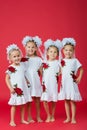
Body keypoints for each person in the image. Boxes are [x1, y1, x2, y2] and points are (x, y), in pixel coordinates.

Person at [5, 44, 32, 126]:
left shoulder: (22, 66)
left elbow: (24, 75)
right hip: (15, 89)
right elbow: (6, 79)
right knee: (14, 105)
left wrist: (27, 81)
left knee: (23, 104)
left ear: (20, 55)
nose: (17, 58)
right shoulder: (10, 68)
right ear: (10, 58)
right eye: (14, 56)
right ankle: (12, 121)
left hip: (23, 88)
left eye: (18, 56)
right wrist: (10, 88)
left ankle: (22, 119)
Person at [58, 38, 84, 124]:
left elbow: (81, 69)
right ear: (63, 51)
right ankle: (68, 117)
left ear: (73, 51)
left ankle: (73, 118)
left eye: (70, 50)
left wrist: (79, 77)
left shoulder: (75, 60)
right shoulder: (62, 61)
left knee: (72, 100)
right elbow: (60, 71)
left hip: (72, 83)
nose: (68, 52)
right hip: (64, 83)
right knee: (66, 100)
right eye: (66, 50)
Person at [22, 36, 43, 122]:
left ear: (36, 48)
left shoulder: (39, 59)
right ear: (25, 47)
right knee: (29, 100)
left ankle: (38, 116)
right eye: (29, 47)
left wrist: (45, 82)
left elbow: (42, 72)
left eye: (33, 47)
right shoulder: (23, 59)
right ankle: (29, 117)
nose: (30, 48)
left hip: (36, 81)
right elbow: (21, 72)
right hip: (27, 81)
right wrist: (24, 81)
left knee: (37, 100)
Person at [41, 39, 62, 122]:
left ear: (57, 53)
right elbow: (40, 71)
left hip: (53, 84)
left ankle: (52, 115)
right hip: (45, 84)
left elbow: (62, 71)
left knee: (53, 100)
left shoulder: (58, 63)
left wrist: (58, 74)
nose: (53, 54)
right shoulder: (44, 62)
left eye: (55, 52)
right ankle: (48, 115)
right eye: (51, 51)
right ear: (47, 52)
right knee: (45, 100)